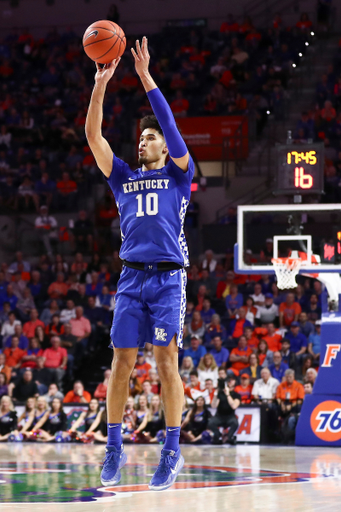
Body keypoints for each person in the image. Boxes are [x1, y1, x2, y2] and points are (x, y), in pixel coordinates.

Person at [86, 37, 194, 490]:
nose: (144, 141)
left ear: (164, 147)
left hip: (168, 278)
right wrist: (101, 86)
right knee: (121, 364)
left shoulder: (180, 173)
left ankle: (171, 451)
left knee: (166, 362)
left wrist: (146, 77)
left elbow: (168, 125)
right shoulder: (123, 176)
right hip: (131, 278)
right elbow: (94, 136)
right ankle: (114, 446)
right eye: (142, 137)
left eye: (151, 137)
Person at [208, 376, 241, 445]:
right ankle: (218, 435)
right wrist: (216, 394)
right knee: (211, 422)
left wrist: (228, 394)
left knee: (235, 423)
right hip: (219, 416)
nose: (229, 383)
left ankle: (229, 437)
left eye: (231, 381)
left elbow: (234, 406)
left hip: (230, 416)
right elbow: (213, 405)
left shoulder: (236, 395)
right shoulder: (219, 394)